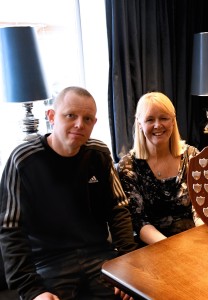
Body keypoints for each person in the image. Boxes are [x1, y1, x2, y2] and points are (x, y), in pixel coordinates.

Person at [0, 86, 137, 300]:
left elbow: (118, 209)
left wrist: (128, 266)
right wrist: (32, 291)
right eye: (70, 115)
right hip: (48, 262)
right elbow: (10, 230)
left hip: (98, 256)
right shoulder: (23, 160)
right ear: (52, 116)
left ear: (94, 123)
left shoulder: (99, 154)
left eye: (87, 119)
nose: (79, 124)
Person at [117, 92, 199, 246]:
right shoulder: (128, 166)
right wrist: (169, 248)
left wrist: (203, 240)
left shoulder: (192, 156)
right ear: (140, 124)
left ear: (173, 121)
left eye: (164, 118)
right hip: (153, 246)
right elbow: (139, 221)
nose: (157, 125)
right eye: (149, 119)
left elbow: (201, 207)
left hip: (194, 239)